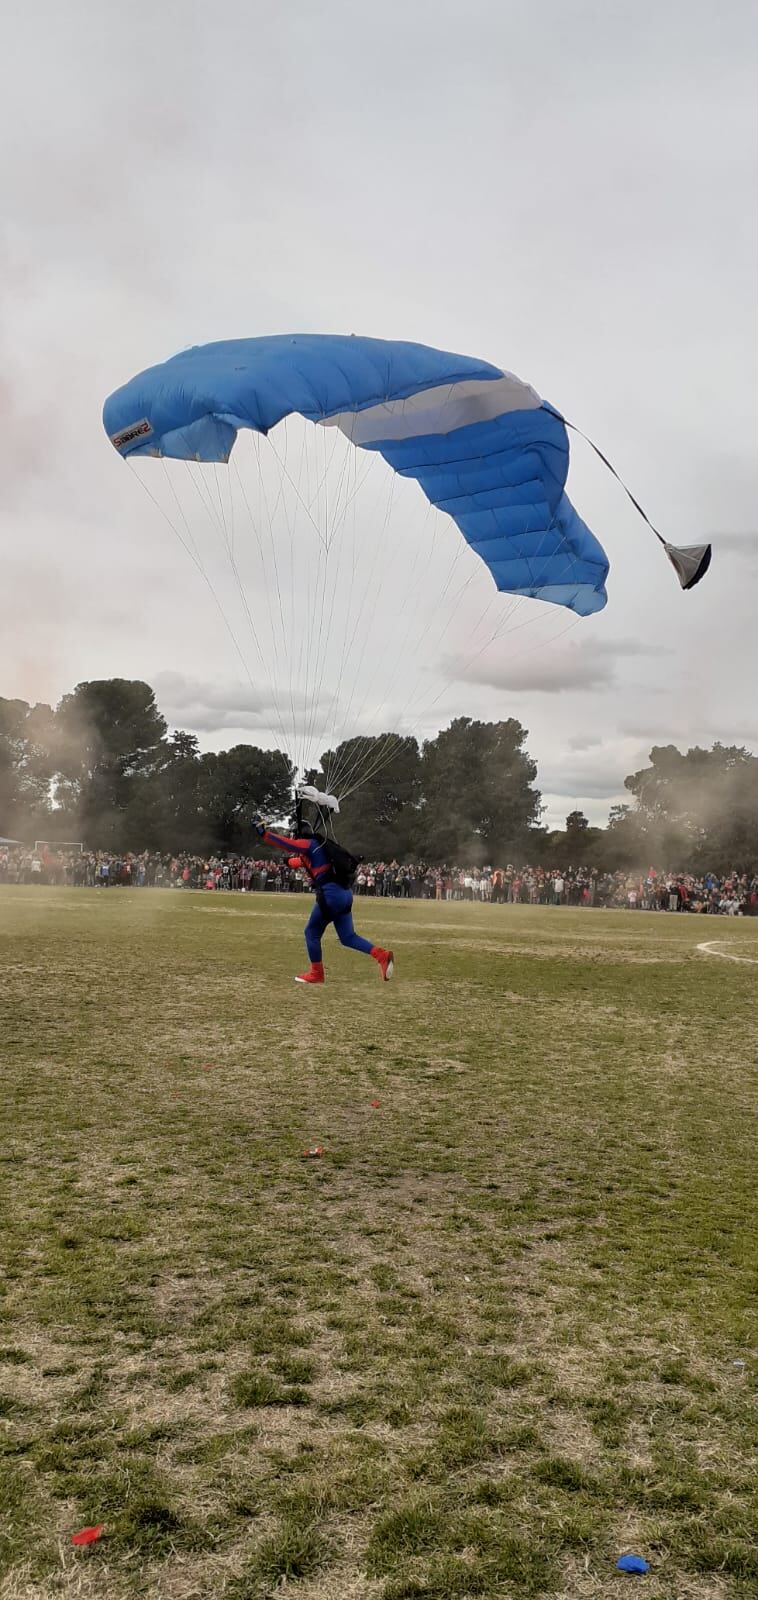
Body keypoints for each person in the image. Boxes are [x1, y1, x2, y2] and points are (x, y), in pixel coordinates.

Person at [253, 817, 394, 986]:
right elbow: (296, 861)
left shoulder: (308, 844)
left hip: (330, 896)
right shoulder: (320, 848)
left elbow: (288, 844)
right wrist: (286, 862)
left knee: (311, 932)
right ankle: (381, 955)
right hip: (345, 894)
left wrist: (264, 834)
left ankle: (316, 973)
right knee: (348, 937)